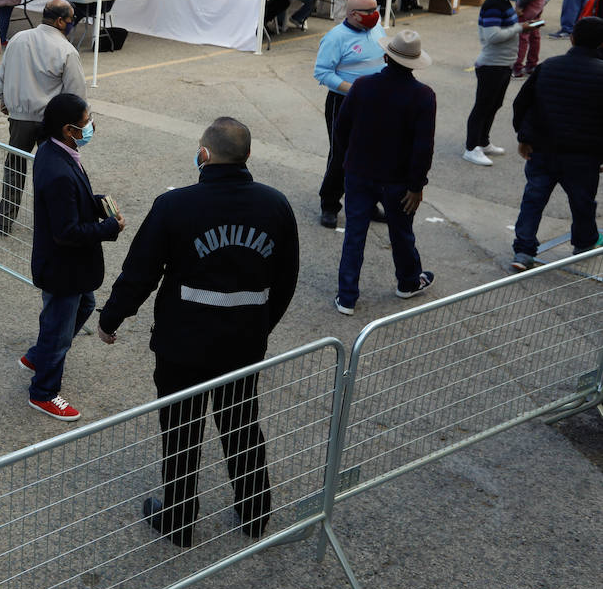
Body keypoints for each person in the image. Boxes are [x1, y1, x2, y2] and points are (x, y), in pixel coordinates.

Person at [97, 116, 299, 547]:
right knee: (242, 423)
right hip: (244, 343)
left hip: (181, 346)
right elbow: (285, 280)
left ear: (203, 155)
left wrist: (111, 318)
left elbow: (140, 273)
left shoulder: (174, 206)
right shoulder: (275, 205)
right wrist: (261, 324)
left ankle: (180, 520)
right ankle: (255, 514)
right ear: (246, 157)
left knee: (181, 431)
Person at [23, 93, 123, 421]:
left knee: (85, 305)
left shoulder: (57, 151)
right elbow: (66, 232)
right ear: (68, 129)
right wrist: (108, 227)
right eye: (86, 121)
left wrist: (93, 203)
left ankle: (40, 354)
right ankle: (44, 391)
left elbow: (67, 205)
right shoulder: (57, 169)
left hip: (69, 268)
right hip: (63, 267)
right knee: (60, 325)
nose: (92, 125)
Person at [332, 29, 437, 315]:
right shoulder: (423, 96)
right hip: (398, 180)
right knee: (401, 232)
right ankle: (407, 281)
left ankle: (347, 296)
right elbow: (422, 147)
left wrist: (349, 160)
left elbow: (341, 129)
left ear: (385, 56)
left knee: (355, 233)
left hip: (359, 173)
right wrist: (417, 185)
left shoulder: (362, 86)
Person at [509, 17, 603, 270]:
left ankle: (523, 251)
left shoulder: (549, 66)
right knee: (582, 202)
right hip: (584, 157)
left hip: (542, 150)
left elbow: (523, 104)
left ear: (572, 38)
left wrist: (524, 138)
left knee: (533, 199)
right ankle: (583, 244)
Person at [0, 0, 87, 234]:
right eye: (70, 19)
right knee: (53, 172)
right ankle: (50, 221)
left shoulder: (18, 39)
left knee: (14, 168)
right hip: (52, 124)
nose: (71, 23)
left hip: (19, 118)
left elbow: (0, 78)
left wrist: (6, 102)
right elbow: (76, 94)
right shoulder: (66, 50)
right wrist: (81, 124)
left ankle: (4, 221)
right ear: (59, 21)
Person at [313, 0, 387, 229]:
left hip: (375, 102)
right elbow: (323, 73)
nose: (375, 14)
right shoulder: (336, 38)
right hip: (344, 102)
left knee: (372, 155)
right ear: (353, 13)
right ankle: (330, 205)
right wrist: (356, 89)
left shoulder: (377, 29)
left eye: (376, 9)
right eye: (369, 11)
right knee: (341, 155)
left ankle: (368, 202)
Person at [464, 0, 533, 167]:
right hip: (491, 65)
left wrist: (517, 20)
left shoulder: (504, 3)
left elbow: (503, 28)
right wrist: (521, 27)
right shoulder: (494, 5)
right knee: (482, 106)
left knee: (494, 105)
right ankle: (471, 148)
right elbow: (492, 37)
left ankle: (483, 142)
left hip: (503, 64)